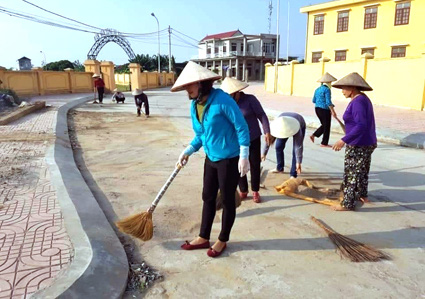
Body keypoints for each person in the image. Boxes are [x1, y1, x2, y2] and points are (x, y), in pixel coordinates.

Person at [172, 61, 250, 258]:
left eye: (189, 85)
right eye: (185, 86)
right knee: (207, 196)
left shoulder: (223, 100)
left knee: (226, 200)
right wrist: (188, 151)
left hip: (229, 159)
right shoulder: (195, 105)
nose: (186, 90)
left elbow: (242, 127)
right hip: (211, 158)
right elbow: (201, 135)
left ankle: (222, 239)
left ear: (201, 84)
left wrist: (244, 155)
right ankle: (203, 236)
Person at [221, 77, 271, 203]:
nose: (229, 96)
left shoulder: (250, 100)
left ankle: (255, 191)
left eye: (231, 94)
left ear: (237, 92)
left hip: (253, 137)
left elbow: (261, 114)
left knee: (254, 164)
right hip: (236, 140)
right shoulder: (227, 103)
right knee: (238, 165)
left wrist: (267, 131)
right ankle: (243, 190)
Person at [331, 72, 376, 211]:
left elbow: (361, 125)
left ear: (352, 88)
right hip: (366, 141)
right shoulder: (362, 99)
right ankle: (362, 195)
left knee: (352, 173)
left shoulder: (358, 102)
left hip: (358, 143)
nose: (342, 91)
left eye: (344, 88)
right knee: (362, 170)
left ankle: (348, 203)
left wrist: (343, 140)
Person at [262, 113, 306, 178]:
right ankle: (279, 168)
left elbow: (298, 146)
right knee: (278, 146)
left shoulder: (297, 128)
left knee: (295, 151)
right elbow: (269, 138)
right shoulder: (275, 125)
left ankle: (293, 174)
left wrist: (298, 162)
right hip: (283, 125)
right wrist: (264, 153)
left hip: (298, 123)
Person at [310, 72, 337, 147]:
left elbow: (313, 100)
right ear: (328, 82)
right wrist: (333, 111)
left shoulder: (317, 89)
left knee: (324, 125)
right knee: (327, 126)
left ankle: (314, 135)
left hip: (317, 109)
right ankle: (324, 143)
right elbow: (328, 102)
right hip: (325, 110)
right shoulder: (327, 90)